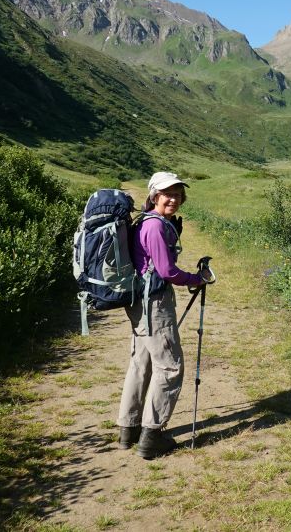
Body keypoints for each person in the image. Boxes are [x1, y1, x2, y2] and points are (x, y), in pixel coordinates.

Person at [117, 171, 211, 459]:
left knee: (141, 362)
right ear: (154, 195)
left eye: (178, 194)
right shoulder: (155, 227)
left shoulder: (145, 222)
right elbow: (167, 271)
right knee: (170, 367)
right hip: (154, 304)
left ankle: (128, 429)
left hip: (139, 302)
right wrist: (197, 279)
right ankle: (152, 436)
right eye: (167, 193)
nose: (173, 199)